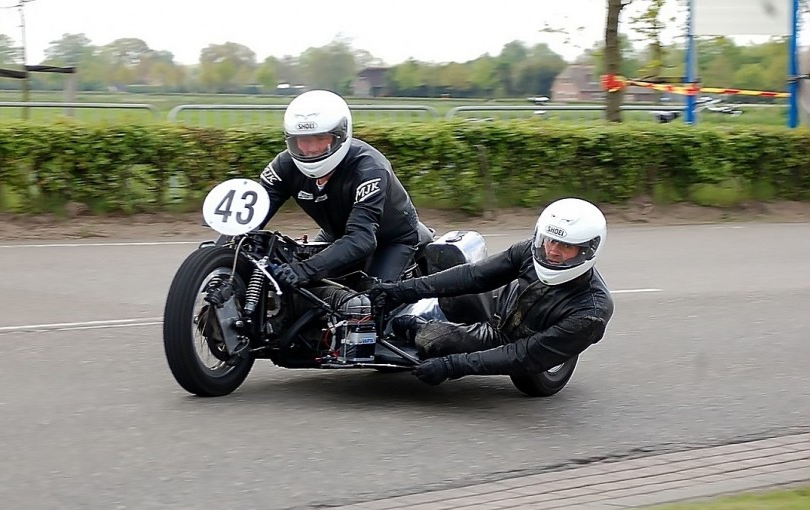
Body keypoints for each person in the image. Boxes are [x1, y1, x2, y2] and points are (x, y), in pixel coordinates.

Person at [371, 197, 615, 386]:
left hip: (517, 341)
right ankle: (418, 305)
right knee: (450, 287)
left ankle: (415, 325)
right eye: (550, 240)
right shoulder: (530, 251)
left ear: (587, 250)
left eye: (566, 246)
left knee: (433, 342)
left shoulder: (590, 311)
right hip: (501, 302)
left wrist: (451, 366)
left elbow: (524, 355)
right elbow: (474, 276)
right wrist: (402, 291)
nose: (552, 250)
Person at [256, 89, 433, 288]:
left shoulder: (370, 168)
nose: (312, 148)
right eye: (304, 140)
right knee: (307, 292)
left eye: (321, 138)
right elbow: (250, 217)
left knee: (368, 303)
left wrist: (305, 269)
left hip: (393, 239)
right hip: (337, 234)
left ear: (340, 136)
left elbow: (363, 238)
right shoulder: (284, 165)